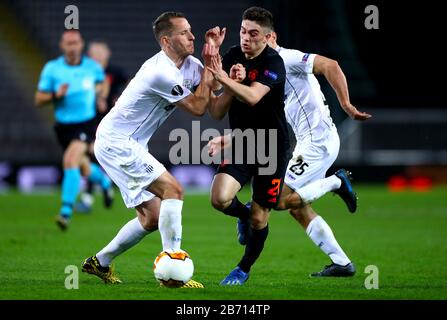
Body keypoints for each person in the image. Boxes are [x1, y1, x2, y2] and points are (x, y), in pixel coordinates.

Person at [208, 30, 372, 278]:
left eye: (257, 35)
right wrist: (231, 139)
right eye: (246, 35)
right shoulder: (268, 72)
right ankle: (342, 263)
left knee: (279, 201)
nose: (252, 42)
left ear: (271, 36)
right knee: (299, 207)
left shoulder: (287, 58)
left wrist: (346, 104)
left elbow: (331, 65)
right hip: (303, 144)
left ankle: (336, 181)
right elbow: (272, 120)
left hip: (318, 142)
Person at [81, 12, 223, 288]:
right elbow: (196, 108)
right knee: (174, 190)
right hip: (117, 142)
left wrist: (216, 66)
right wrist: (208, 70)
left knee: (152, 217)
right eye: (184, 33)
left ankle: (99, 261)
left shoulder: (191, 65)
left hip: (128, 143)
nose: (193, 36)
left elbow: (214, 98)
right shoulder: (161, 72)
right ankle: (174, 264)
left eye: (191, 30)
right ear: (167, 41)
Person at [206, 7, 290, 286]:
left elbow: (254, 97)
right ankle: (242, 216)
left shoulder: (274, 62)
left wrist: (225, 78)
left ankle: (242, 269)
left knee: (259, 218)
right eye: (243, 31)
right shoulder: (231, 56)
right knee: (219, 198)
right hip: (243, 143)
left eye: (254, 34)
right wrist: (229, 83)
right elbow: (217, 112)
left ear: (267, 38)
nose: (246, 38)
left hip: (272, 148)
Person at [35, 30, 114, 230]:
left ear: (81, 45)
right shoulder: (52, 69)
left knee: (70, 160)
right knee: (83, 166)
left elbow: (103, 81)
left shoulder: (91, 67)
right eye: (68, 44)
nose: (72, 47)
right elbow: (39, 99)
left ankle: (65, 212)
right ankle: (104, 182)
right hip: (63, 127)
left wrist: (101, 96)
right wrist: (56, 94)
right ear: (62, 46)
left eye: (75, 43)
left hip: (85, 124)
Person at [75, 41, 128, 212]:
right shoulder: (86, 73)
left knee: (92, 156)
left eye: (100, 52)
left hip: (111, 123)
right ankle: (101, 188)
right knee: (88, 156)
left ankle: (90, 196)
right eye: (93, 53)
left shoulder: (115, 72)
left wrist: (120, 98)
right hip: (89, 121)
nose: (96, 56)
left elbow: (133, 84)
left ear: (107, 54)